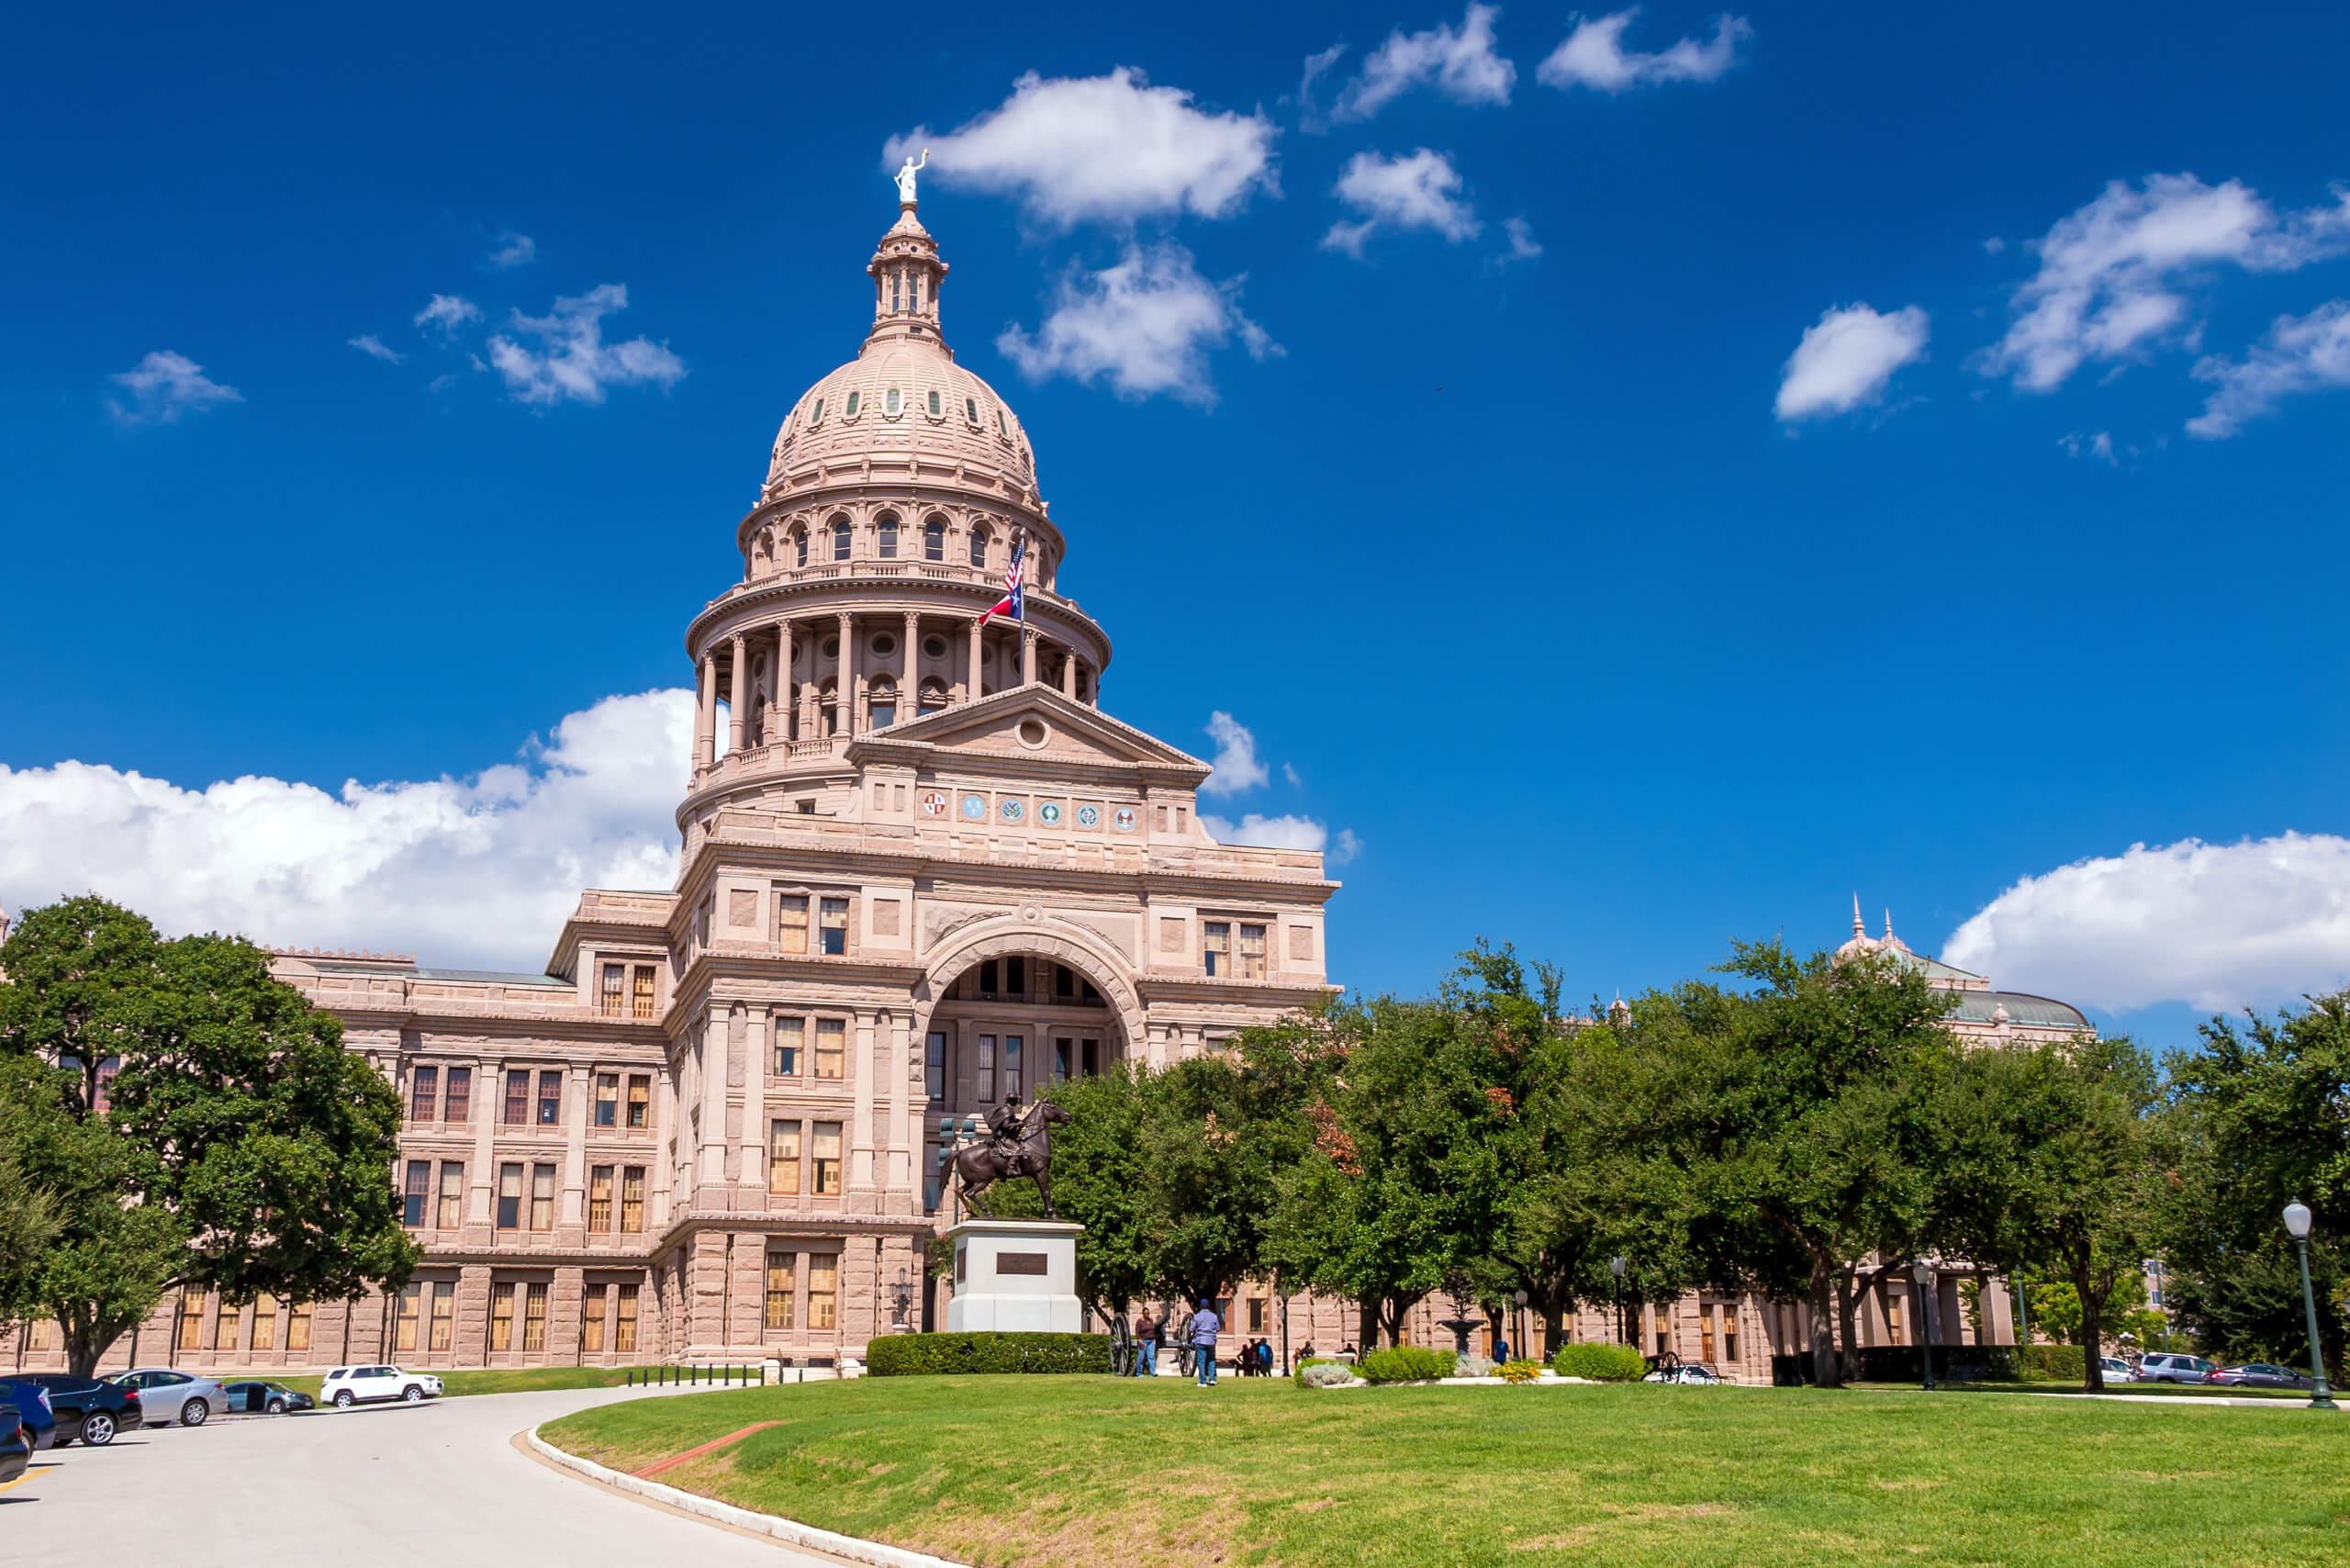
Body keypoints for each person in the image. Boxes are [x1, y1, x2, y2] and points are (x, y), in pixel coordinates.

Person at [1190, 1298, 1222, 1386]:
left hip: (1200, 1340)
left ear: (1200, 1306)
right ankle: (1212, 1379)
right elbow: (1218, 1328)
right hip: (1211, 1340)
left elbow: (1191, 1329)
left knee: (1201, 1361)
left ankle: (1203, 1381)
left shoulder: (1197, 1316)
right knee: (1211, 1360)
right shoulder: (1214, 1316)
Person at [1135, 1309, 1160, 1378]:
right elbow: (1137, 1332)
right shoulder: (1139, 1322)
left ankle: (1153, 1373)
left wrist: (1154, 1339)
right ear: (1143, 1313)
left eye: (1148, 1313)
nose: (1147, 1314)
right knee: (1141, 1357)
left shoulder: (1151, 1320)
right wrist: (1139, 1340)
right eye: (1145, 1313)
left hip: (1151, 1341)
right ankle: (1139, 1373)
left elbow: (1153, 1330)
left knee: (1151, 1357)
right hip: (1143, 1341)